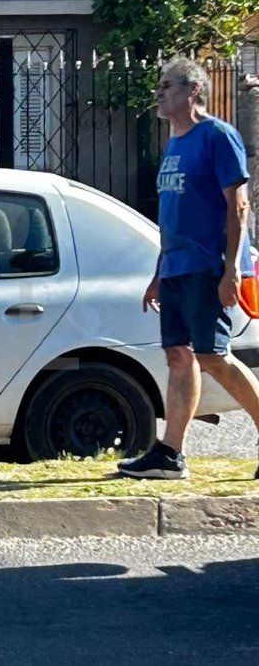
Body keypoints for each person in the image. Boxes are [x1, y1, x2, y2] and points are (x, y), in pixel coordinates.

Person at [118, 56, 259, 481]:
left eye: (167, 85)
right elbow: (173, 213)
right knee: (179, 357)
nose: (159, 93)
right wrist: (159, 274)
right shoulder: (174, 144)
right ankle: (169, 454)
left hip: (209, 264)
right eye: (160, 86)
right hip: (177, 267)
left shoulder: (217, 136)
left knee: (213, 356)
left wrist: (231, 269)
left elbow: (239, 205)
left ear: (193, 91)